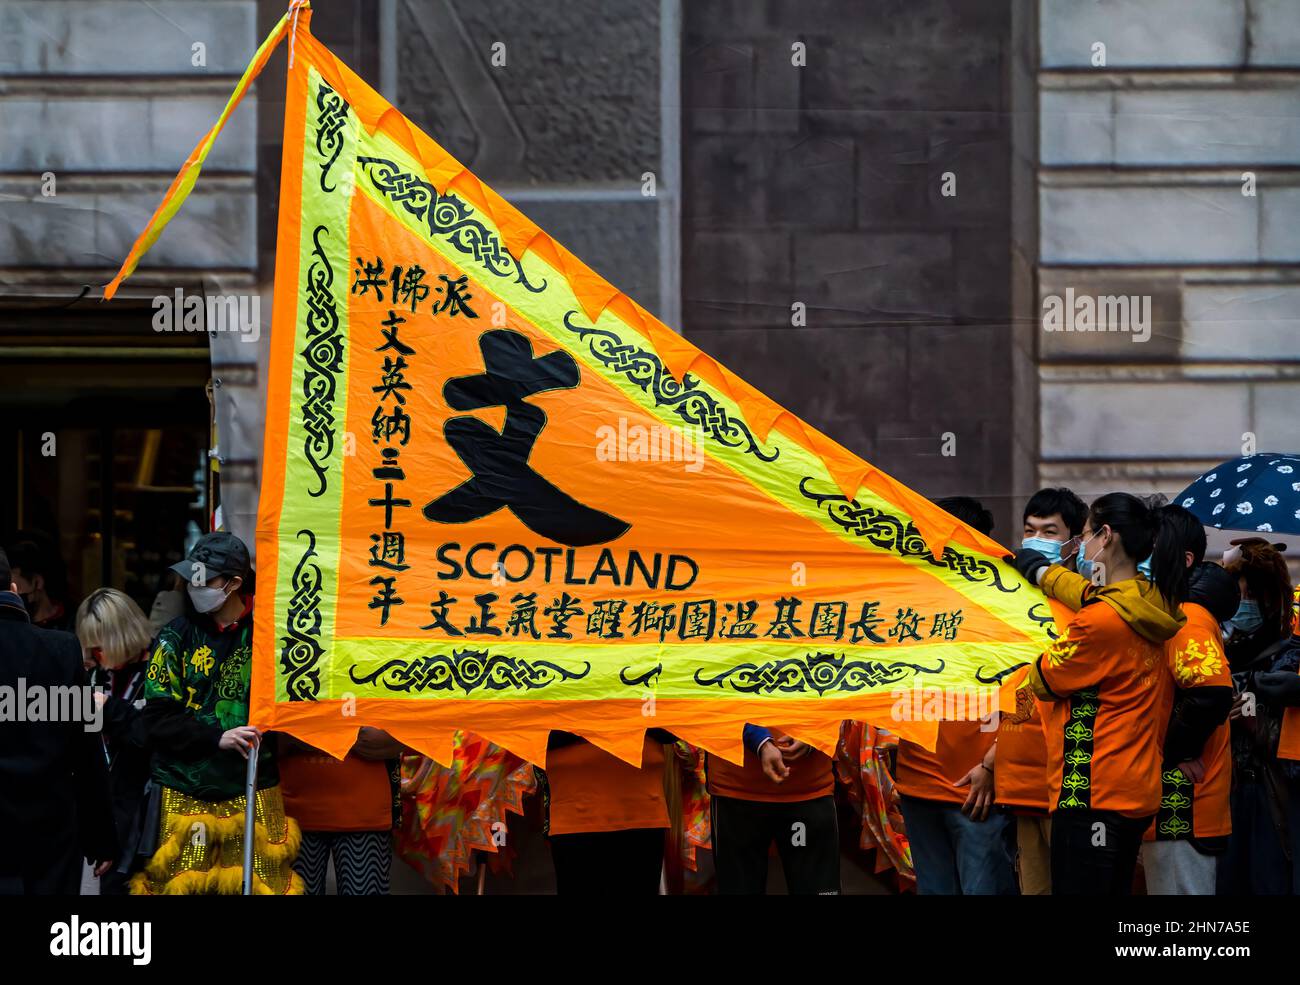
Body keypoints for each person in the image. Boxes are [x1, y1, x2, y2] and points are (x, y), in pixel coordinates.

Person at [1011, 492, 1188, 895]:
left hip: (1091, 792)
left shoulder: (1100, 622)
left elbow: (1044, 680)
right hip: (1134, 788)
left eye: (1087, 534)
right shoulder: (1148, 599)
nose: (1083, 545)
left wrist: (1030, 640)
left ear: (1105, 536)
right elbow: (1092, 594)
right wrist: (1042, 573)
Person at [129, 532, 304, 895]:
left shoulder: (272, 637)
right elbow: (155, 718)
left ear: (235, 583)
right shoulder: (173, 636)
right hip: (183, 790)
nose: (193, 587)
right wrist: (215, 736)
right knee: (179, 886)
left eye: (203, 579)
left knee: (261, 886)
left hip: (254, 787)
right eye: (191, 578)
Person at [894, 496, 1015, 895]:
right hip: (916, 786)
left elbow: (1029, 699)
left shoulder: (1008, 614)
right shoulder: (908, 609)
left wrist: (994, 764)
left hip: (977, 789)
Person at [0, 548, 117, 893]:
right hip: (49, 830)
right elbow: (87, 748)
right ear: (14, 589)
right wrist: (102, 835)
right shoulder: (62, 649)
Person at [994, 486, 1088, 895]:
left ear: (1076, 542)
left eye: (1049, 532)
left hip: (1071, 784)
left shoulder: (1089, 606)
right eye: (1030, 531)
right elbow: (1015, 691)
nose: (1036, 541)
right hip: (1019, 782)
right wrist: (991, 760)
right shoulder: (1005, 603)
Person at [1216, 539, 1297, 894]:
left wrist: (1258, 715)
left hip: (1274, 796)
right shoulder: (1210, 651)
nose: (1241, 608)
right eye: (1235, 597)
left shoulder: (1289, 657)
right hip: (1220, 794)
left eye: (1248, 598)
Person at [75, 588, 156, 895]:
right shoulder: (96, 675)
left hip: (147, 811)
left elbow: (156, 736)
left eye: (99, 649)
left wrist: (108, 709)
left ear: (122, 635)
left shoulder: (160, 666)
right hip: (106, 807)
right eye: (89, 650)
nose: (94, 657)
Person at [708, 724, 840, 894]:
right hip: (737, 787)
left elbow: (849, 700)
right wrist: (760, 741)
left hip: (810, 788)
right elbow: (713, 700)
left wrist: (816, 732)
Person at [541, 731, 674, 894]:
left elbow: (672, 729)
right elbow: (532, 731)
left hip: (641, 808)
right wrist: (612, 717)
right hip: (575, 811)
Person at [280, 726, 403, 895]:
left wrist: (317, 731)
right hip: (294, 816)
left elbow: (408, 734)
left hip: (364, 812)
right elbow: (265, 733)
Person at [8, 538, 73, 632]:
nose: (13, 594)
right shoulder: (13, 627)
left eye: (17, 588)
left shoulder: (70, 624)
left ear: (38, 582)